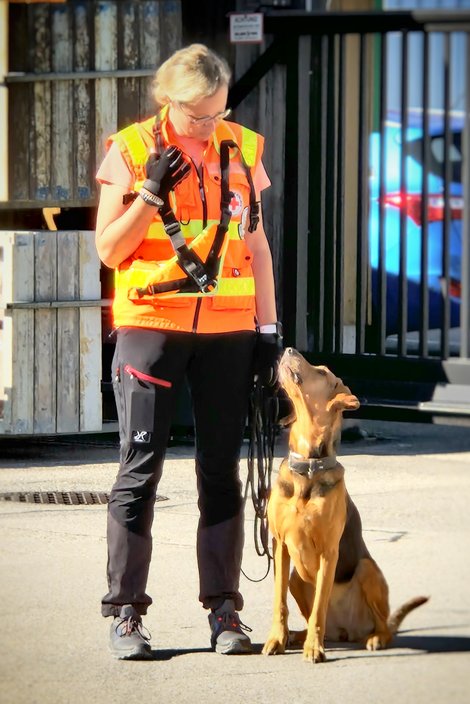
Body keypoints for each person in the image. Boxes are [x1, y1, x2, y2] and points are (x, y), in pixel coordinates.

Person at [95, 43, 281, 660]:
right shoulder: (129, 149)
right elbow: (109, 252)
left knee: (221, 469)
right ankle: (125, 614)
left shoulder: (244, 148)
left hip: (226, 332)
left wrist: (268, 331)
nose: (209, 127)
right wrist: (148, 196)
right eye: (197, 116)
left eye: (217, 113)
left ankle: (225, 611)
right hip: (151, 326)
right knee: (139, 469)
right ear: (167, 100)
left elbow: (255, 249)